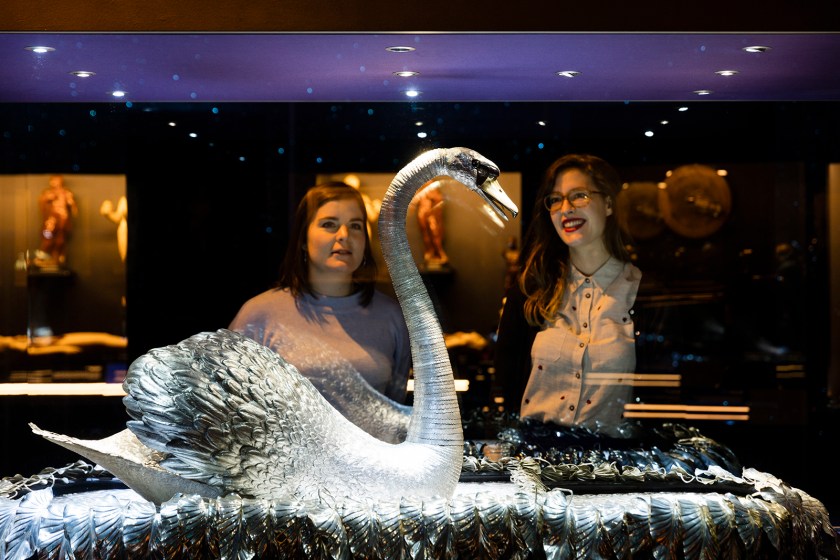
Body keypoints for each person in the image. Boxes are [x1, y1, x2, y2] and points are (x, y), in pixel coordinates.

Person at [494, 154, 642, 437]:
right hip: (537, 464)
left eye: (580, 196)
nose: (566, 209)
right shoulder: (529, 292)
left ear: (609, 203)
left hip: (614, 469)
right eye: (556, 199)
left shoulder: (641, 291)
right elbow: (504, 389)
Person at [229, 181, 412, 404]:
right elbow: (232, 404)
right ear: (303, 240)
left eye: (355, 225)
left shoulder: (391, 315)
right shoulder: (260, 314)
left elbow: (397, 407)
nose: (344, 234)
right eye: (329, 224)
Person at [37, 174, 78, 266]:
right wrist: (48, 198)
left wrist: (72, 207)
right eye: (53, 180)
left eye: (57, 180)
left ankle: (58, 257)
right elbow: (42, 203)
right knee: (47, 237)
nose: (55, 182)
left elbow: (73, 206)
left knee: (60, 239)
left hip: (62, 220)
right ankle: (44, 256)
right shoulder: (48, 193)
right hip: (51, 221)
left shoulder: (66, 192)